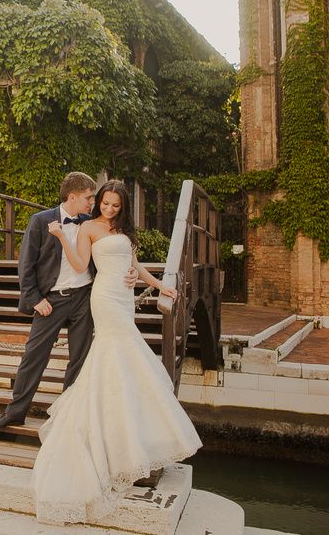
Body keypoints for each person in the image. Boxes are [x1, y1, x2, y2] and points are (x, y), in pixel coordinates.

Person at [30, 179, 202, 525]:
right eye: (104, 203)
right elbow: (80, 266)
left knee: (125, 359)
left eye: (114, 205)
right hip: (105, 297)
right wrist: (62, 237)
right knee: (121, 353)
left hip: (125, 300)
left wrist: (157, 284)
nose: (108, 209)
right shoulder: (88, 227)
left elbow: (134, 266)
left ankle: (131, 432)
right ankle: (112, 436)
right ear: (98, 204)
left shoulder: (122, 231)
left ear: (122, 207)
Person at [0, 172, 135, 430]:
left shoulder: (93, 222)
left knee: (79, 359)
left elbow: (113, 251)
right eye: (89, 198)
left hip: (85, 298)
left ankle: (67, 414)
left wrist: (129, 272)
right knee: (34, 356)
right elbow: (26, 264)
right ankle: (15, 412)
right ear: (73, 197)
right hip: (51, 300)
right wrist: (35, 299)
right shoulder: (40, 221)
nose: (93, 202)